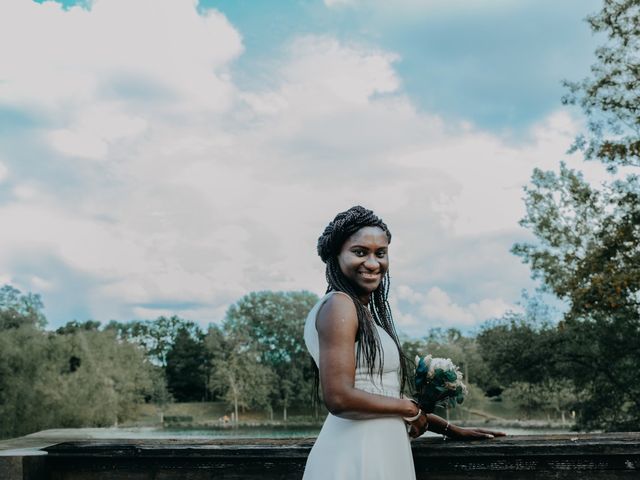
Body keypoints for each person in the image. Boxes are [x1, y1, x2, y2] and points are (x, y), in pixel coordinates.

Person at [303, 206, 505, 479]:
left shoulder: (359, 313)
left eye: (380, 253)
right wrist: (411, 410)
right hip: (355, 451)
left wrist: (448, 428)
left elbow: (379, 394)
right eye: (360, 252)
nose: (373, 263)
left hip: (381, 447)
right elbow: (339, 397)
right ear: (336, 255)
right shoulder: (339, 306)